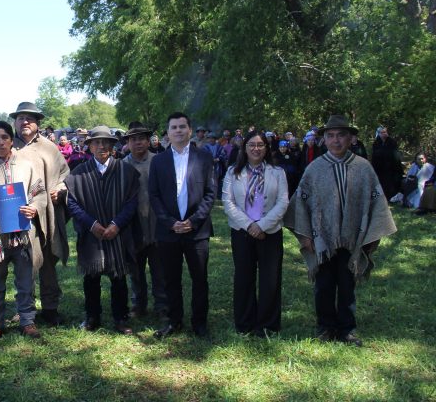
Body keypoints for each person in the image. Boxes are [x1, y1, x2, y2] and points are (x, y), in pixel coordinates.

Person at [284, 115, 397, 346]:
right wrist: (305, 236)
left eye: (341, 135)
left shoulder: (363, 168)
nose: (336, 140)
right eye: (331, 136)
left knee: (347, 284)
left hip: (352, 238)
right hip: (322, 239)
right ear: (324, 139)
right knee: (324, 285)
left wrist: (372, 236)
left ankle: (347, 329)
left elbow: (377, 202)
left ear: (351, 138)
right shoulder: (315, 169)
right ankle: (326, 327)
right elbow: (300, 202)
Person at [0, 121, 45, 340]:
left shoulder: (26, 166)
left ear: (12, 140)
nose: (1, 142)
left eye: (5, 137)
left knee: (26, 280)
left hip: (23, 234)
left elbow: (40, 194)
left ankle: (27, 321)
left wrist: (34, 207)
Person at [66, 126, 139, 334]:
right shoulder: (79, 173)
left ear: (112, 145)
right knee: (91, 277)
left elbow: (132, 201)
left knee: (119, 277)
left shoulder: (125, 171)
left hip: (118, 233)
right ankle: (92, 317)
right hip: (91, 233)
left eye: (106, 142)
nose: (101, 146)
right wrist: (91, 224)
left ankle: (121, 318)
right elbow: (72, 203)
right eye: (96, 142)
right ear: (89, 146)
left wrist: (117, 224)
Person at [150, 112, 216, 339]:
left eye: (182, 126)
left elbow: (210, 193)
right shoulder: (158, 161)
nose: (178, 130)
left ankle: (200, 323)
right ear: (167, 133)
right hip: (168, 231)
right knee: (171, 279)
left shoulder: (204, 158)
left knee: (200, 278)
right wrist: (171, 223)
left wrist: (193, 221)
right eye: (174, 127)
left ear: (190, 130)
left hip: (197, 231)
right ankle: (174, 321)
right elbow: (154, 195)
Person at [222, 131, 289, 337]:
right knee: (244, 277)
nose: (256, 148)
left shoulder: (277, 172)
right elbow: (228, 202)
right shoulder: (233, 172)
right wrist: (250, 225)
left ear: (267, 148)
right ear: (245, 147)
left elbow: (283, 202)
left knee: (270, 279)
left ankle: (268, 325)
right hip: (242, 232)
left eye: (260, 145)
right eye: (252, 144)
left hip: (270, 232)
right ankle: (245, 323)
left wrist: (262, 226)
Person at [10, 102, 70, 326]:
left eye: (30, 118)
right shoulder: (8, 145)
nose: (25, 122)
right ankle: (25, 308)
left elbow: (64, 174)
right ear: (15, 122)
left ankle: (50, 307)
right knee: (23, 262)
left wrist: (60, 190)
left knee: (47, 260)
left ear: (37, 123)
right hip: (18, 215)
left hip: (47, 213)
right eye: (20, 118)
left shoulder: (49, 148)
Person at [123, 123, 167, 318]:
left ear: (149, 141)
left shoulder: (159, 161)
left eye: (141, 138)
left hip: (158, 223)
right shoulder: (122, 165)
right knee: (135, 270)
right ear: (128, 143)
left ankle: (162, 305)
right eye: (133, 139)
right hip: (134, 225)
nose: (138, 142)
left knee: (160, 269)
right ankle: (138, 304)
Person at [371, 126, 403, 201]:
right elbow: (375, 155)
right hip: (380, 168)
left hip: (391, 167)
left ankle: (391, 197)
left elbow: (395, 154)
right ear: (379, 134)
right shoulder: (376, 143)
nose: (384, 134)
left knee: (391, 183)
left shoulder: (392, 142)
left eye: (385, 132)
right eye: (382, 132)